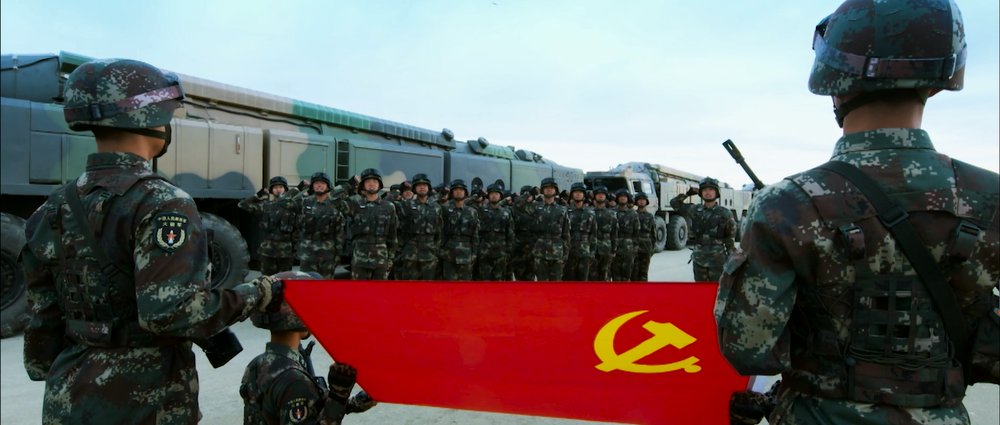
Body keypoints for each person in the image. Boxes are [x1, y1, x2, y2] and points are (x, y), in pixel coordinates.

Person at [716, 1, 1000, 424]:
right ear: (938, 83)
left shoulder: (787, 202)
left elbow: (749, 349)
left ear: (833, 80)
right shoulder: (991, 198)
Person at [21, 58, 283, 424]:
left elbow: (42, 328)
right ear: (150, 117)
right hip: (143, 398)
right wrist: (259, 294)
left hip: (66, 395)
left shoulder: (52, 207)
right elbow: (173, 314)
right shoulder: (163, 202)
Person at [242, 270, 377, 425]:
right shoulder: (295, 381)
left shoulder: (257, 365)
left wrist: (352, 403)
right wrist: (338, 397)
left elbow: (285, 411)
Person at [331, 169, 399, 280]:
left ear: (379, 185)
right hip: (360, 256)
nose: (371, 184)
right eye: (368, 182)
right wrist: (349, 184)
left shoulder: (388, 207)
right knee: (359, 289)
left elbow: (392, 235)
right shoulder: (355, 205)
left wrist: (390, 260)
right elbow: (332, 199)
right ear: (362, 186)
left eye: (375, 182)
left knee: (379, 289)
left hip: (380, 257)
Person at [279, 172, 346, 279]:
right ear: (312, 187)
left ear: (328, 187)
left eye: (322, 183)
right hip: (308, 254)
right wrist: (299, 188)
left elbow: (339, 233)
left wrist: (338, 255)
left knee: (326, 285)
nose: (319, 185)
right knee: (307, 284)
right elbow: (282, 201)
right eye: (316, 183)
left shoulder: (334, 205)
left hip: (328, 253)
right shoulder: (304, 203)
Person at [670, 177, 735, 282]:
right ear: (701, 193)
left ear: (717, 193)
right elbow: (674, 203)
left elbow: (730, 238)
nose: (707, 192)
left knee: (717, 289)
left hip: (717, 259)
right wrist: (688, 194)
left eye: (711, 190)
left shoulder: (725, 213)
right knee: (700, 289)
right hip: (699, 259)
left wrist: (732, 259)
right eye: (704, 190)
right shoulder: (695, 210)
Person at [239, 176, 299, 276]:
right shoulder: (266, 205)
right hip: (268, 250)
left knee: (285, 279)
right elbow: (242, 204)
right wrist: (258, 195)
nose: (278, 190)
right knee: (267, 279)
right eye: (275, 187)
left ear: (285, 190)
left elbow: (297, 229)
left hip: (286, 250)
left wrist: (294, 250)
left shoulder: (292, 206)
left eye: (281, 187)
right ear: (271, 190)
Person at [394, 173, 443, 280]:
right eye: (419, 185)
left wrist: (436, 250)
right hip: (411, 252)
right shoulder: (406, 205)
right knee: (409, 285)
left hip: (429, 252)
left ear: (428, 188)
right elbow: (386, 203)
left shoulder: (436, 207)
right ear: (414, 189)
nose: (422, 187)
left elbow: (439, 231)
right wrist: (398, 190)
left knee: (427, 285)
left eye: (425, 185)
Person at [529, 178, 570, 281]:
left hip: (557, 253)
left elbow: (566, 234)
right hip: (540, 252)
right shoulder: (535, 207)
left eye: (551, 187)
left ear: (555, 190)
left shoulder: (562, 210)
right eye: (546, 187)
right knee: (542, 284)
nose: (549, 190)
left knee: (555, 284)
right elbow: (518, 206)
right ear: (542, 190)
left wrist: (565, 255)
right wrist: (529, 193)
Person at [439, 179, 480, 280]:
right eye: (456, 190)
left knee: (464, 285)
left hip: (466, 253)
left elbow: (475, 234)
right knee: (448, 284)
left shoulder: (472, 212)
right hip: (448, 253)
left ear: (465, 193)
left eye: (461, 190)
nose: (458, 192)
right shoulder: (445, 209)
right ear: (452, 193)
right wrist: (440, 250)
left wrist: (474, 254)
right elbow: (440, 231)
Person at [477, 183, 515, 281]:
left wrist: (509, 250)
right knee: (484, 279)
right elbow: (476, 232)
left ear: (500, 196)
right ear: (488, 196)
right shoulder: (481, 210)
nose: (494, 196)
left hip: (501, 251)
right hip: (485, 251)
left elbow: (510, 232)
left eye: (496, 194)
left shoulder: (506, 212)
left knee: (499, 280)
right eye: (492, 193)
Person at [564, 182, 597, 281]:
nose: (578, 194)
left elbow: (593, 234)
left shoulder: (590, 213)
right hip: (569, 252)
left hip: (584, 252)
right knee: (568, 280)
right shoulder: (565, 211)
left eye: (580, 192)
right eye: (575, 192)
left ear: (584, 195)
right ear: (572, 195)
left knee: (583, 280)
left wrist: (592, 253)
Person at [510, 185, 538, 281]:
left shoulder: (537, 207)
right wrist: (527, 193)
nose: (528, 197)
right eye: (525, 195)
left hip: (532, 243)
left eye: (530, 195)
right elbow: (516, 204)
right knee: (519, 273)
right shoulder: (518, 207)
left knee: (531, 273)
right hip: (519, 244)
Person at [590, 186, 618, 281]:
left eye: (602, 194)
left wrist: (614, 250)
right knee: (592, 276)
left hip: (606, 249)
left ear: (606, 197)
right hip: (593, 249)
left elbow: (614, 233)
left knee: (605, 276)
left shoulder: (611, 214)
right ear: (594, 197)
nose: (600, 196)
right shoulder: (590, 213)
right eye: (598, 194)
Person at [611, 189, 639, 281]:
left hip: (628, 247)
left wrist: (635, 248)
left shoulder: (633, 214)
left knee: (627, 274)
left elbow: (636, 232)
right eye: (621, 197)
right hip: (615, 247)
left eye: (624, 197)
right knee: (615, 273)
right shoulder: (612, 213)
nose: (623, 198)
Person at [631, 192, 656, 282]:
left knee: (644, 272)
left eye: (643, 200)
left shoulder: (650, 216)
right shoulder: (633, 215)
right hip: (635, 246)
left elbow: (653, 233)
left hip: (646, 246)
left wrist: (652, 249)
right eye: (639, 200)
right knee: (634, 272)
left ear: (646, 201)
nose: (641, 202)